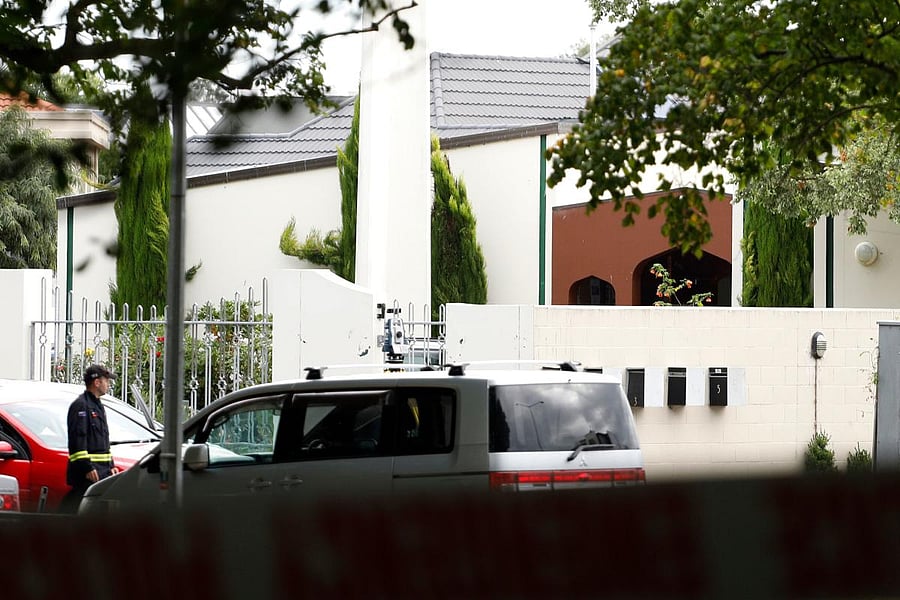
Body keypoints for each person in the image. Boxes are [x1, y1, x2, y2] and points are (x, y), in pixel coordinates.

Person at [59, 364, 120, 514]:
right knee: (79, 509)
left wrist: (110, 465)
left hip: (102, 471)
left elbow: (103, 439)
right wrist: (86, 467)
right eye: (106, 381)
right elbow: (77, 439)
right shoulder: (81, 406)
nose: (108, 384)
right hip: (88, 474)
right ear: (97, 382)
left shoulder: (97, 406)